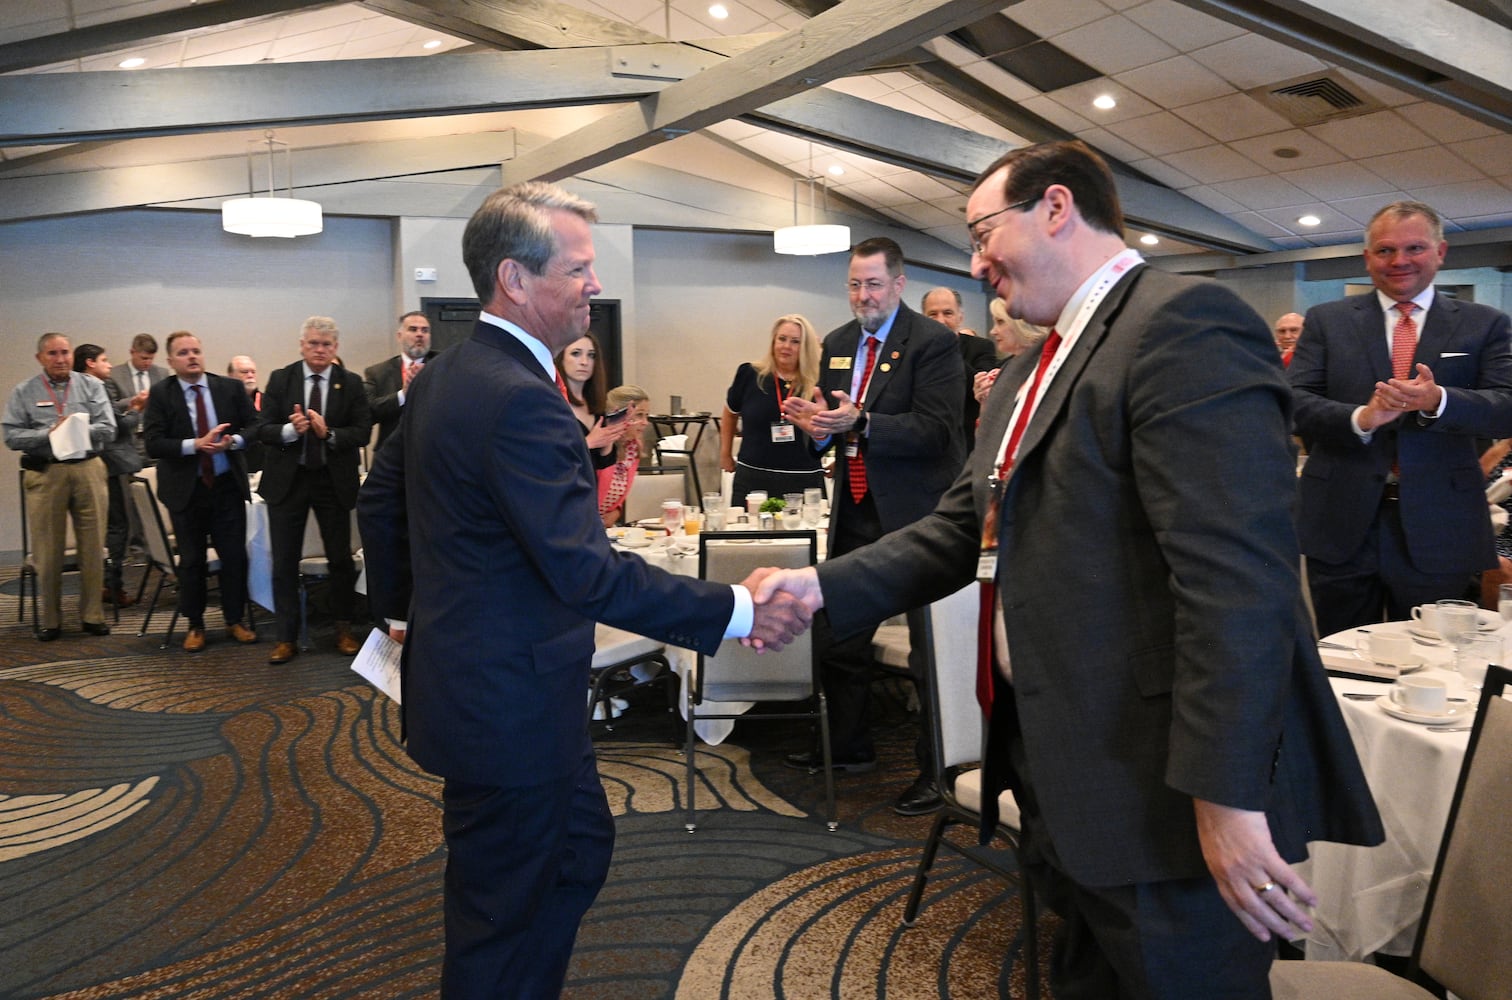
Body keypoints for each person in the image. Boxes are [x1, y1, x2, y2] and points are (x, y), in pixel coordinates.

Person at [756, 140, 1385, 998]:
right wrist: (819, 586)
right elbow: (957, 530)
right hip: (1065, 767)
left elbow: (1236, 587)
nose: (976, 263)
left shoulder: (1182, 323)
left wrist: (1229, 802)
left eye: (983, 231)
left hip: (1169, 797)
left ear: (1056, 207)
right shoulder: (1024, 374)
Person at [363, 179, 811, 999]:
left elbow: (379, 504)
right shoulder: (521, 402)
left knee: (574, 851)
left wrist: (404, 618)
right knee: (502, 916)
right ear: (515, 279)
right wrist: (741, 608)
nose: (594, 285)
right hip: (512, 704)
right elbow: (586, 572)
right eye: (578, 268)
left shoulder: (442, 378)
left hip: (491, 689)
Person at [780, 236, 965, 817]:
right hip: (857, 510)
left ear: (899, 283)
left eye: (874, 284)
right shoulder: (836, 343)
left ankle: (940, 769)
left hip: (918, 514)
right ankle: (849, 747)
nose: (864, 295)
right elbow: (838, 423)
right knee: (840, 632)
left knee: (928, 652)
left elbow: (937, 431)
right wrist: (821, 429)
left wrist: (862, 421)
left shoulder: (932, 342)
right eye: (855, 284)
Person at [1290, 200, 1512, 635]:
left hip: (1442, 522)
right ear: (1368, 257)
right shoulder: (1326, 321)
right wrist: (1363, 418)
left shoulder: (1485, 324)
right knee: (1345, 659)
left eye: (1414, 248)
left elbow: (1506, 407)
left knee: (1440, 663)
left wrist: (1439, 400)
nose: (1400, 261)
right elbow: (1292, 400)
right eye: (1386, 250)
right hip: (1341, 522)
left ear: (1440, 252)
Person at [256, 316, 372, 665]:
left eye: (326, 344)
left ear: (335, 348)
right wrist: (291, 431)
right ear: (302, 345)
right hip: (288, 482)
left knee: (339, 559)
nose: (319, 350)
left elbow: (363, 432)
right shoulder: (281, 378)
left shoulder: (350, 383)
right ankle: (286, 637)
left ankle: (343, 629)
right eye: (313, 343)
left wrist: (329, 433)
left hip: (331, 480)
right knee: (284, 561)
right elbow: (262, 428)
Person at [143, 332, 260, 652]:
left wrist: (233, 442)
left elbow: (254, 427)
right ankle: (195, 625)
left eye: (196, 350)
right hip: (187, 490)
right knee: (192, 561)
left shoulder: (229, 388)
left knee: (234, 557)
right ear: (170, 362)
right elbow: (153, 443)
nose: (192, 356)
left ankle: (234, 619)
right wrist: (194, 445)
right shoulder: (161, 393)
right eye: (183, 353)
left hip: (225, 487)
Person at [4, 333, 115, 641]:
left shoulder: (91, 386)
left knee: (93, 547)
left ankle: (92, 615)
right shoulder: (24, 391)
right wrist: (48, 434)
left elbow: (108, 428)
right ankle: (51, 620)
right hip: (47, 473)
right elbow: (12, 436)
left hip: (87, 468)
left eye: (65, 352)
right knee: (48, 550)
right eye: (53, 353)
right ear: (41, 358)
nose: (61, 358)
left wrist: (75, 429)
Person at [719, 314, 824, 503]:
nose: (786, 346)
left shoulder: (818, 381)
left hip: (803, 479)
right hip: (753, 478)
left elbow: (834, 424)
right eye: (782, 339)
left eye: (795, 342)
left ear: (805, 347)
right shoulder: (749, 374)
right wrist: (725, 454)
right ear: (773, 341)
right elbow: (730, 413)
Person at [72, 344, 143, 608]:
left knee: (102, 528)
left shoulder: (76, 387)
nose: (110, 365)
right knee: (117, 527)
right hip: (109, 464)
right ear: (90, 363)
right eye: (104, 360)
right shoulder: (94, 387)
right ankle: (113, 587)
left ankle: (103, 585)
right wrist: (136, 410)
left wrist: (127, 405)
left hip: (92, 463)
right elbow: (115, 427)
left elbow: (111, 412)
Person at [922, 286, 997, 449]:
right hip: (924, 444)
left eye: (947, 313)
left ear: (960, 317)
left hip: (966, 444)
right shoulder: (913, 352)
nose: (940, 320)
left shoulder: (981, 347)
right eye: (933, 314)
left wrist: (947, 349)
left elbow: (980, 387)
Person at [364, 311, 438, 450]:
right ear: (399, 336)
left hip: (433, 451)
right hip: (392, 453)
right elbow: (368, 413)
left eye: (425, 330)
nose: (420, 334)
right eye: (413, 329)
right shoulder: (378, 372)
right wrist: (402, 395)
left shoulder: (443, 365)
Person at [554, 333, 622, 465]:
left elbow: (603, 463)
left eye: (591, 355)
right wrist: (588, 442)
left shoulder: (597, 406)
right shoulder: (552, 404)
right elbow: (548, 457)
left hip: (591, 484)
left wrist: (610, 434)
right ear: (560, 358)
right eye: (576, 353)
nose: (584, 362)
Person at [974, 296, 1047, 406]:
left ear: (1022, 323)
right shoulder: (1005, 368)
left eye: (1000, 322)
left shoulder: (1048, 366)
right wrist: (985, 401)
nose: (993, 332)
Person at [597, 383, 651, 527]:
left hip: (606, 528)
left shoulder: (633, 448)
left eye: (647, 416)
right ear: (619, 414)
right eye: (639, 415)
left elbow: (618, 499)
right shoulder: (599, 445)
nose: (645, 423)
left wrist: (616, 512)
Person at [109, 333, 169, 461]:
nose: (148, 362)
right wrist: (135, 400)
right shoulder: (114, 374)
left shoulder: (162, 373)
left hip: (155, 436)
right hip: (129, 438)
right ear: (132, 352)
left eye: (151, 358)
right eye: (144, 358)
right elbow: (111, 406)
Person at [227, 355, 265, 472]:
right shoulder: (222, 401)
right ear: (230, 376)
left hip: (262, 465)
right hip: (233, 465)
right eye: (244, 372)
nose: (250, 375)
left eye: (253, 372)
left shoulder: (267, 401)